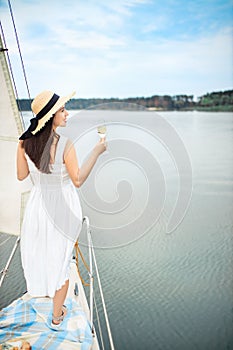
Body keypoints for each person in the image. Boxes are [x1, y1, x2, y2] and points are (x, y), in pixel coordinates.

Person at [17, 90, 106, 329]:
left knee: (44, 254)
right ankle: (57, 317)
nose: (67, 114)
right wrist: (97, 151)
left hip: (37, 207)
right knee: (62, 260)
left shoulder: (25, 142)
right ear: (51, 116)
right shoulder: (64, 144)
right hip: (62, 208)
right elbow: (77, 180)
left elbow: (21, 175)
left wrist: (20, 147)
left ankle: (45, 297)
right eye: (62, 110)